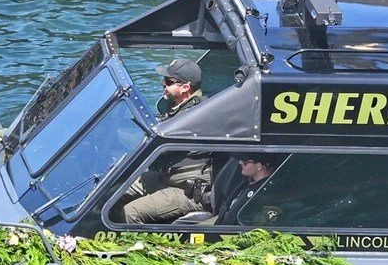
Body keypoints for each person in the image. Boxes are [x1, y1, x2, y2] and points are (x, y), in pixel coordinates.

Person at [119, 58, 211, 224]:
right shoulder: (180, 108)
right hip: (168, 177)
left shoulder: (193, 115)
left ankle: (139, 247)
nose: (163, 84)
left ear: (185, 87)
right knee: (117, 187)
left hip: (187, 191)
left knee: (131, 213)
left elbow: (159, 142)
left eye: (169, 82)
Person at [211, 153, 279, 226]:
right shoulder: (247, 182)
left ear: (259, 166)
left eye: (245, 161)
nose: (240, 162)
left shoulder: (266, 193)